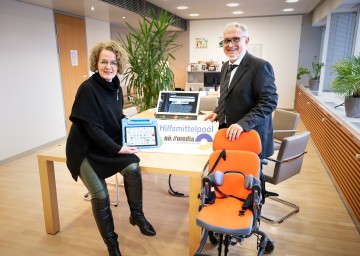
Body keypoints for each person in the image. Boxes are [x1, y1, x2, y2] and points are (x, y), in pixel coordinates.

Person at [66, 41, 156, 256]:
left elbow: (114, 117)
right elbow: (92, 128)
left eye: (113, 62)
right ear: (96, 63)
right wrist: (118, 149)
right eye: (104, 62)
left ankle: (137, 215)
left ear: (119, 65)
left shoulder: (115, 86)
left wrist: (130, 127)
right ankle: (112, 244)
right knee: (100, 194)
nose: (109, 66)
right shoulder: (88, 88)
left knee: (133, 165)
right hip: (86, 149)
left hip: (107, 143)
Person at [205, 22, 278, 159]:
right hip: (228, 134)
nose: (230, 44)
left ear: (247, 40)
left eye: (236, 39)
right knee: (229, 175)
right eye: (226, 40)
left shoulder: (260, 66)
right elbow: (227, 95)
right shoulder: (226, 66)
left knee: (250, 178)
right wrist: (218, 111)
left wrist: (242, 124)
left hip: (250, 134)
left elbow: (269, 102)